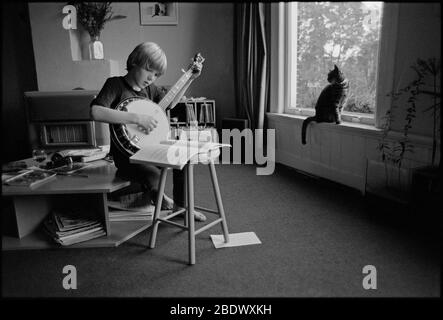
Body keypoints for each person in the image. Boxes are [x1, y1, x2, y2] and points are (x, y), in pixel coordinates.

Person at [90, 42, 206, 221]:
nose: (152, 77)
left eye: (157, 74)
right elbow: (96, 112)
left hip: (148, 149)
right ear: (135, 61)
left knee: (182, 156)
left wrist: (190, 78)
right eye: (149, 70)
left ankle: (180, 207)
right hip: (127, 156)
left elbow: (171, 103)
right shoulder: (115, 84)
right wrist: (137, 118)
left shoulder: (150, 89)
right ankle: (156, 195)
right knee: (154, 175)